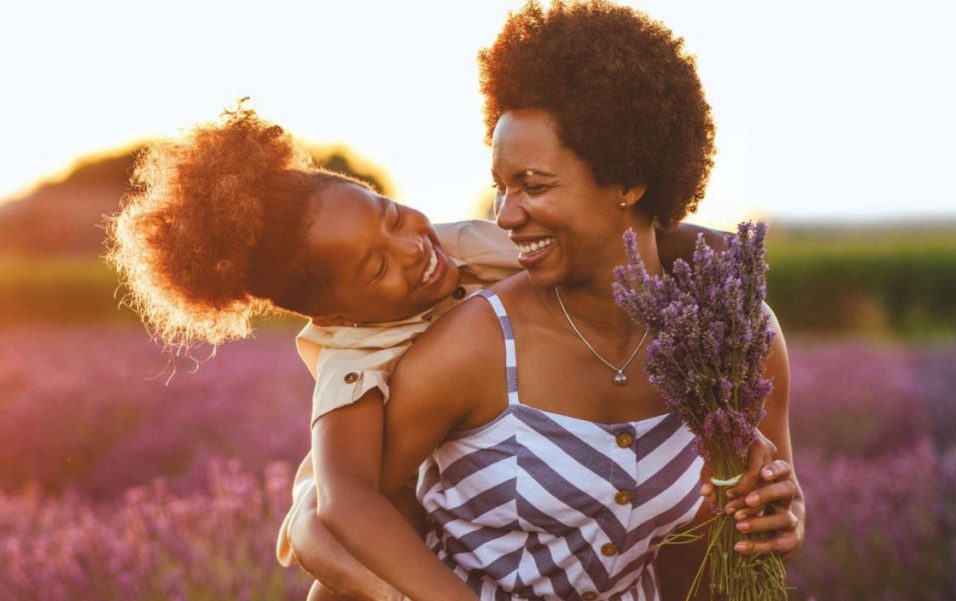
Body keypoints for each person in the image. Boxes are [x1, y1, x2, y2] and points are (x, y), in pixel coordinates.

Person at [105, 104, 734, 600]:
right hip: (388, 509)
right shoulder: (351, 355)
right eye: (377, 266)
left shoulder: (462, 243)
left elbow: (608, 235)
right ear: (340, 313)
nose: (410, 248)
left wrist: (726, 254)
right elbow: (343, 502)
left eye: (388, 214)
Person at [293, 1, 805, 600]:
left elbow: (767, 510)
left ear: (630, 181)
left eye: (533, 186)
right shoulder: (474, 345)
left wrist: (783, 519)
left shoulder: (737, 342)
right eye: (501, 188)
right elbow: (338, 529)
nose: (506, 216)